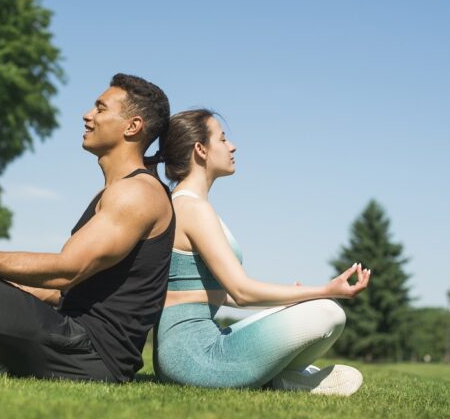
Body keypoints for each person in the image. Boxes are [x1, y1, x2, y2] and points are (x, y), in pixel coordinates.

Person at [0, 74, 175, 383]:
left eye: (100, 109)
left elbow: (66, 271)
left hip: (92, 355)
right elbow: (64, 290)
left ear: (132, 126)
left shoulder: (137, 193)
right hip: (74, 336)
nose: (88, 116)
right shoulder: (115, 193)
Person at [152, 109, 371, 395]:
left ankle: (283, 377)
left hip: (190, 351)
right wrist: (325, 290)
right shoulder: (192, 208)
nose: (232, 146)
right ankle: (287, 377)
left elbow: (220, 293)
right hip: (193, 357)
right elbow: (242, 292)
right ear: (200, 150)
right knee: (328, 311)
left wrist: (288, 301)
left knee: (318, 311)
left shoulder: (189, 205)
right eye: (223, 138)